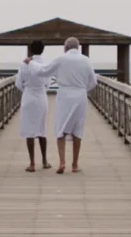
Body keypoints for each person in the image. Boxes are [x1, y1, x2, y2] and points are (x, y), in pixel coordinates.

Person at [24, 37, 97, 174]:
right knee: (78, 129)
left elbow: (43, 71)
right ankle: (75, 165)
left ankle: (62, 162)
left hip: (64, 95)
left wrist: (31, 62)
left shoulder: (61, 59)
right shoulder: (86, 60)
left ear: (66, 47)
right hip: (80, 96)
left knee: (61, 128)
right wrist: (82, 89)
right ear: (78, 47)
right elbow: (93, 82)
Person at [15, 40, 51, 172]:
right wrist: (41, 89)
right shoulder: (46, 64)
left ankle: (32, 164)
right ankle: (45, 161)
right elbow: (48, 84)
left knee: (29, 130)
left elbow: (18, 84)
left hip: (28, 97)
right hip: (41, 97)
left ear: (30, 49)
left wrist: (27, 89)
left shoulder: (24, 65)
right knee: (42, 129)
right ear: (43, 49)